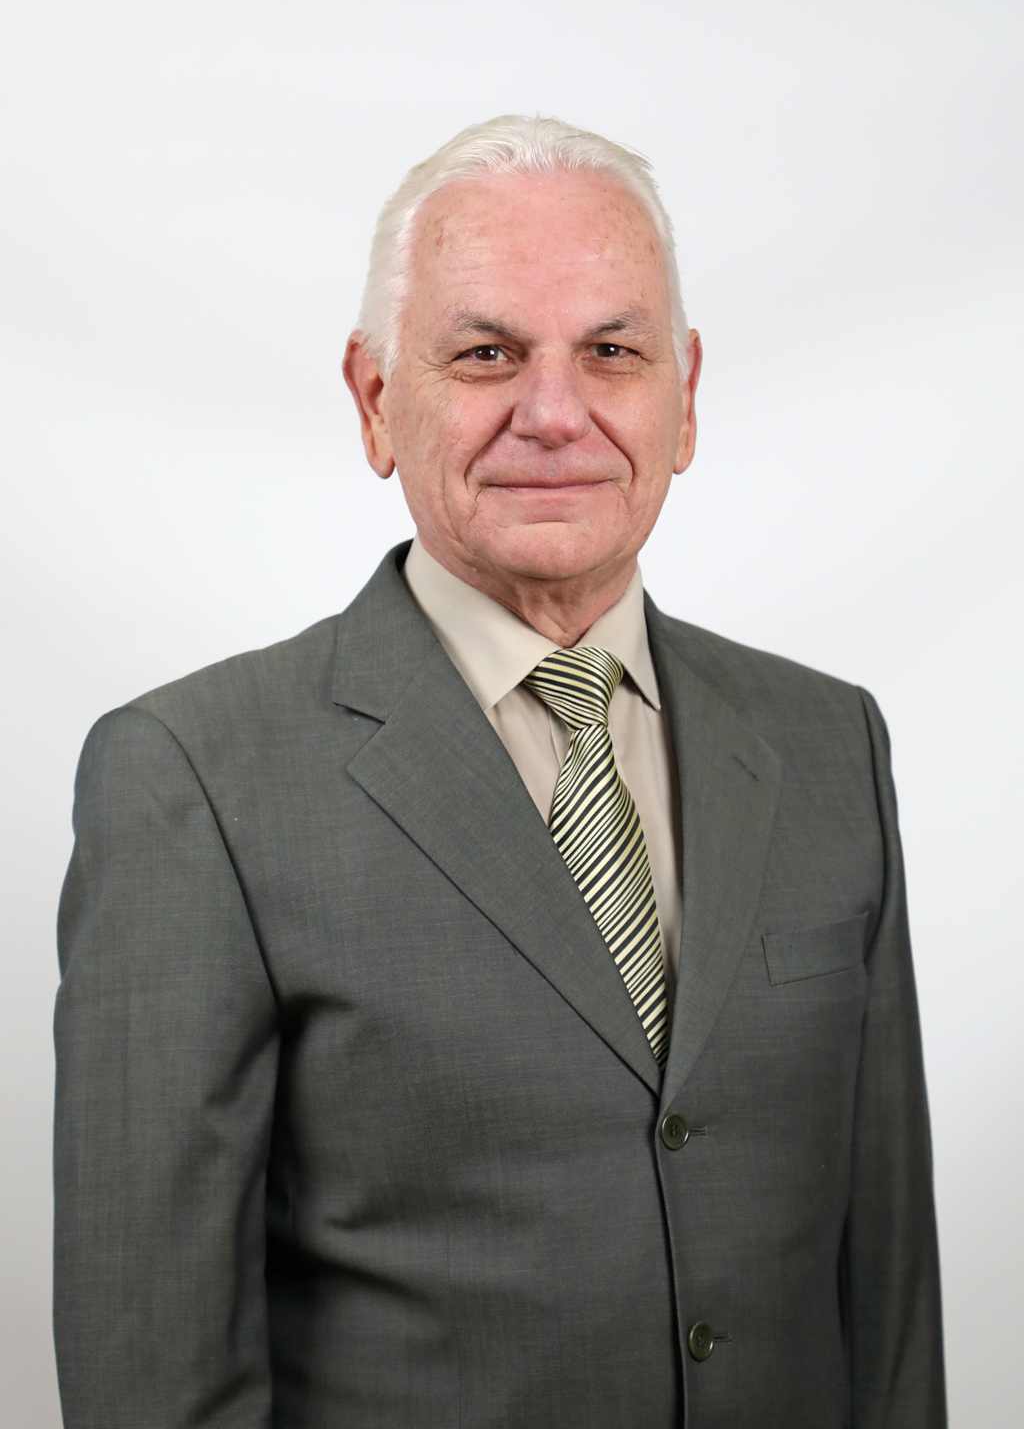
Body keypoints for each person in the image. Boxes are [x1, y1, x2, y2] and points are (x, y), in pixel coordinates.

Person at [53, 115, 946, 1429]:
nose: (555, 413)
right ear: (374, 399)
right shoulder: (193, 781)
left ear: (686, 395)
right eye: (486, 354)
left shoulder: (829, 745)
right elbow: (154, 1376)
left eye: (612, 352)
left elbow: (891, 1313)